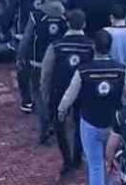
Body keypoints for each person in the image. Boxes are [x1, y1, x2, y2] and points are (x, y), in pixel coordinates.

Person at [57, 30, 126, 185]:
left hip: (90, 122)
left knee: (95, 166)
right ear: (109, 47)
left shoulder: (84, 71)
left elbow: (70, 94)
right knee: (112, 162)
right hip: (113, 124)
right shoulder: (120, 70)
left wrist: (61, 110)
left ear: (94, 47)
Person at [39, 10, 93, 173]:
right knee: (80, 123)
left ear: (68, 24)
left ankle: (67, 160)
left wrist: (45, 93)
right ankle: (77, 156)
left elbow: (46, 73)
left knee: (59, 125)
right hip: (84, 92)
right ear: (84, 24)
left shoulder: (56, 46)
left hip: (59, 90)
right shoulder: (91, 46)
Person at [17, 0, 66, 116]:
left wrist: (20, 56)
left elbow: (26, 38)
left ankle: (42, 116)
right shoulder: (66, 15)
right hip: (59, 60)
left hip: (37, 60)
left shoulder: (36, 16)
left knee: (38, 90)